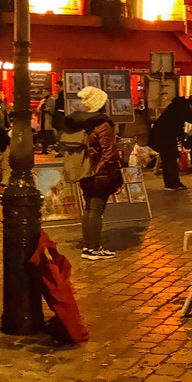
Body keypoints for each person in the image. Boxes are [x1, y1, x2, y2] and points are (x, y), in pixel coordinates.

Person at [64, 86, 122, 260]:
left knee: (89, 209)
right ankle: (94, 248)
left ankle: (88, 247)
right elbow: (109, 153)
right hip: (99, 173)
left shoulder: (81, 124)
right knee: (96, 210)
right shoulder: (102, 125)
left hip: (84, 170)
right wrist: (114, 177)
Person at [149, 92, 191, 190]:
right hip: (165, 139)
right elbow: (177, 128)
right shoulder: (176, 113)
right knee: (169, 161)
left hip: (164, 138)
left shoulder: (172, 110)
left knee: (170, 161)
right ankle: (171, 184)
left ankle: (174, 182)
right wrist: (183, 140)